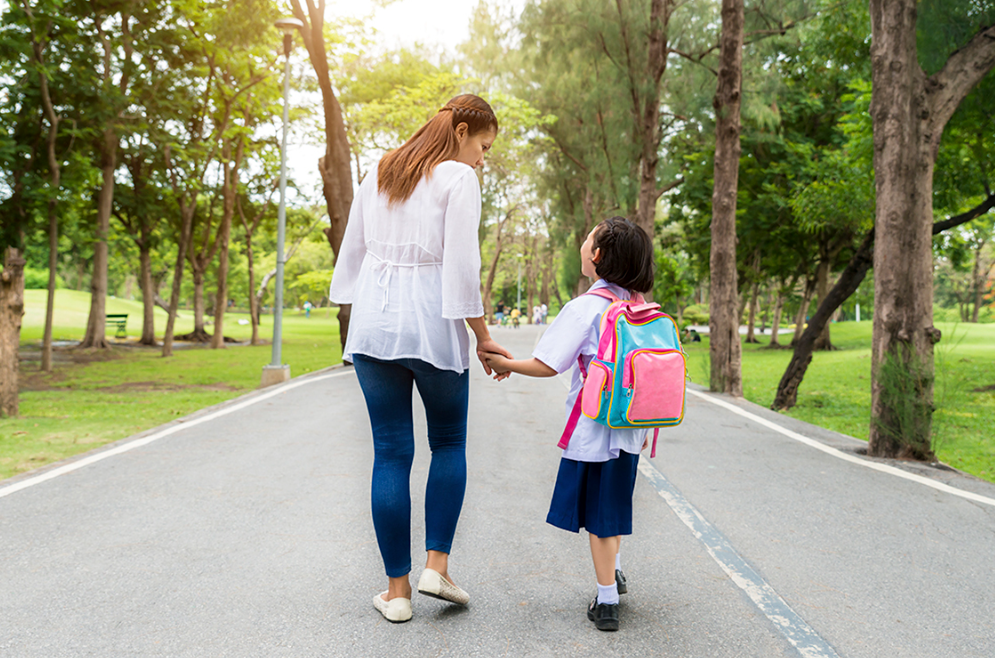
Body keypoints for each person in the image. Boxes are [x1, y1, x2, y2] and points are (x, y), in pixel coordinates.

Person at [328, 94, 511, 624]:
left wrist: (355, 303)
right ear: (459, 131)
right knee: (448, 442)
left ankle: (398, 592)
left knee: (389, 454)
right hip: (433, 324)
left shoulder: (381, 168)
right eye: (483, 146)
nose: (482, 158)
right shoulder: (458, 180)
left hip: (375, 325)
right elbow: (460, 268)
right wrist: (482, 337)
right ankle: (437, 566)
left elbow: (354, 252)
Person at [482, 216, 655, 632]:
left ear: (595, 255)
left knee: (599, 518)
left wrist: (504, 363)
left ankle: (607, 599)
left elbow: (547, 364)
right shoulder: (639, 307)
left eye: (587, 238)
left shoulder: (585, 308)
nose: (583, 243)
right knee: (612, 507)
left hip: (594, 430)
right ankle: (613, 573)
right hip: (632, 430)